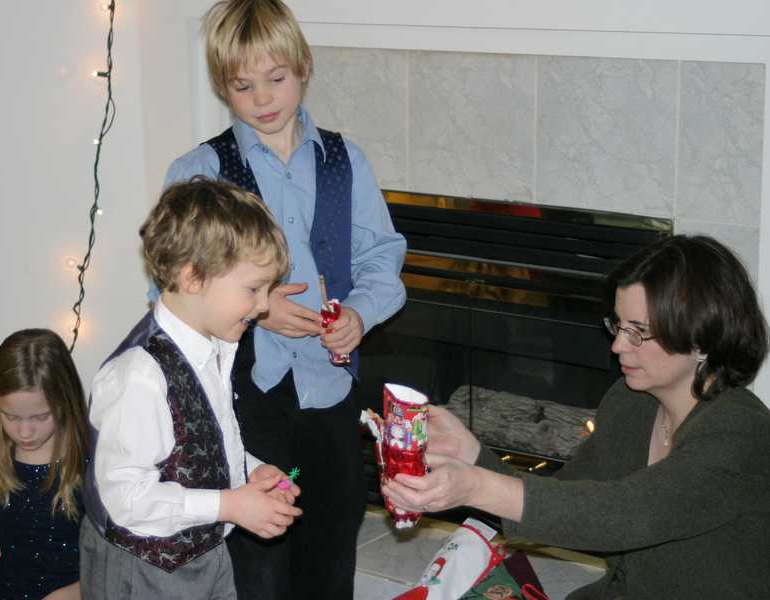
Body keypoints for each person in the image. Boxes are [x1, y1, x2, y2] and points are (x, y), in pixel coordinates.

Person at [162, 2, 407, 597]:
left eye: (276, 79)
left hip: (331, 395)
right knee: (259, 565)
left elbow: (383, 259)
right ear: (222, 86)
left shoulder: (346, 162)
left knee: (332, 547)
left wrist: (359, 314)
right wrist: (257, 307)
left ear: (303, 68)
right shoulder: (200, 172)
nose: (263, 99)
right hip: (247, 403)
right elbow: (171, 292)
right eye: (243, 86)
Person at [383, 234, 770, 598]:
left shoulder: (741, 432)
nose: (617, 345)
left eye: (638, 332)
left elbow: (629, 514)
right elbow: (568, 505)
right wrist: (470, 453)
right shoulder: (632, 402)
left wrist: (474, 486)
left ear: (701, 339)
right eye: (618, 325)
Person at [80, 178, 302, 600]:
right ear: (194, 277)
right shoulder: (139, 377)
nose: (264, 306)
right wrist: (229, 505)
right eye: (254, 289)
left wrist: (249, 469)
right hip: (145, 571)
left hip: (205, 551)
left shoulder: (214, 345)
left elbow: (205, 441)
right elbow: (126, 498)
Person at [0, 328, 89, 600]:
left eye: (41, 417)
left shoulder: (94, 463)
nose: (25, 432)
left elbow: (113, 566)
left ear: (66, 402)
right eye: (10, 417)